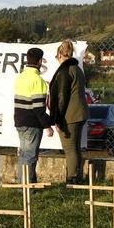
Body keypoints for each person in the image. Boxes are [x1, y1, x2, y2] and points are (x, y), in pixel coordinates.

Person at [49, 40, 89, 184]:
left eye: (56, 57)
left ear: (60, 54)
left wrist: (58, 120)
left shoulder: (65, 71)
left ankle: (72, 179)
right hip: (81, 112)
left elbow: (61, 98)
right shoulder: (77, 69)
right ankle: (78, 176)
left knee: (70, 149)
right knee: (76, 148)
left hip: (69, 116)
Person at [14, 47, 54, 184]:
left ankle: (25, 184)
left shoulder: (20, 78)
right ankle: (25, 188)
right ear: (40, 61)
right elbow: (38, 109)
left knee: (24, 155)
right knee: (30, 156)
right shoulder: (38, 81)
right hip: (32, 123)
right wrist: (48, 125)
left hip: (20, 121)